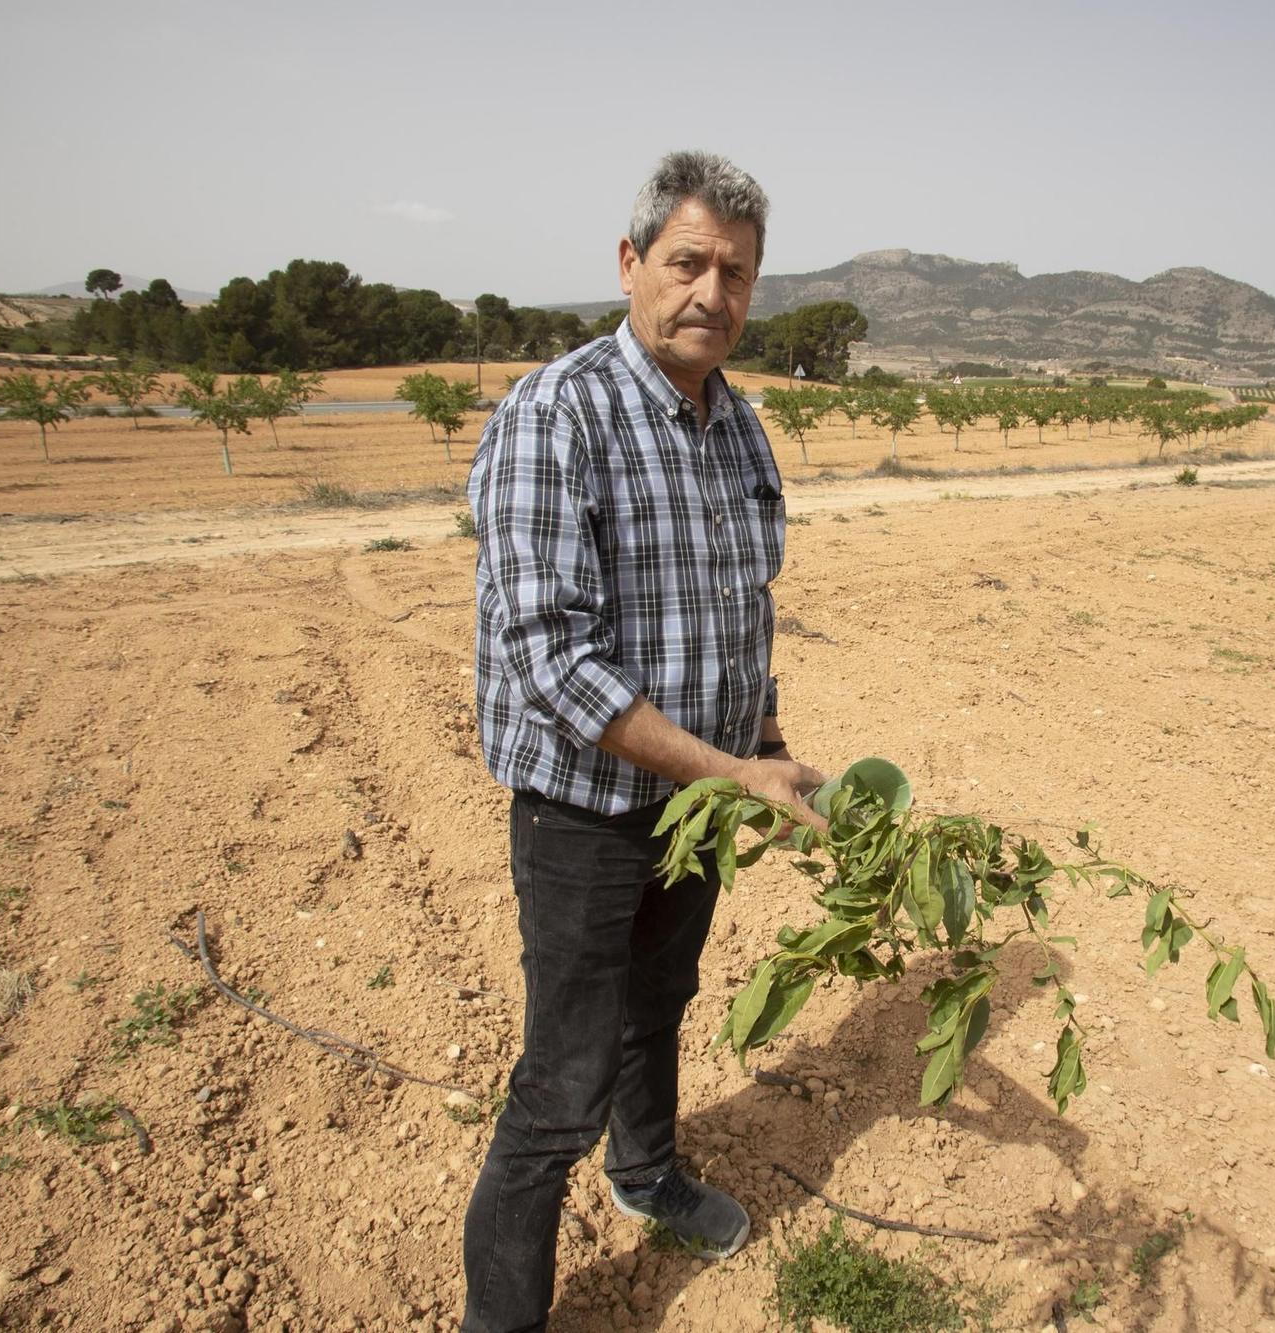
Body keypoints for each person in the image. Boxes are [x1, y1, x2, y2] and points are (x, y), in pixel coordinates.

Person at [459, 150, 825, 1333]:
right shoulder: (555, 414)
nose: (708, 292)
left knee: (658, 1002)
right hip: (582, 810)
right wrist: (735, 773)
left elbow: (741, 609)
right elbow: (550, 660)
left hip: (699, 805)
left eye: (734, 271)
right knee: (558, 1082)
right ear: (629, 266)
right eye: (685, 262)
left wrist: (765, 743)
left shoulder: (740, 430)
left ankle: (647, 1170)